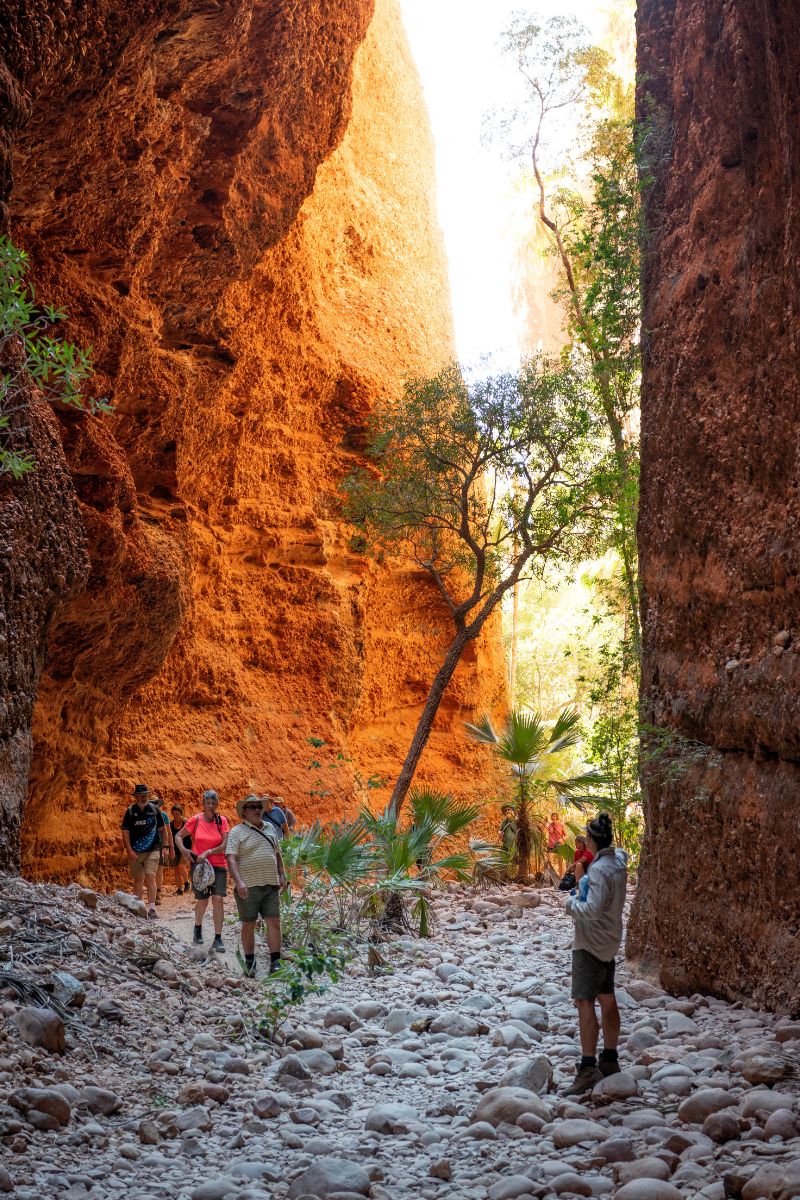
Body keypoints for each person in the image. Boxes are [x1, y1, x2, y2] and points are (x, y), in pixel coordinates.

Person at [563, 812, 628, 1094]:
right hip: (610, 938)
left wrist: (571, 902)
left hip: (590, 942)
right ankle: (610, 1059)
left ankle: (588, 1067)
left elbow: (591, 909)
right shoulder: (619, 860)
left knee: (583, 1001)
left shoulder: (600, 870)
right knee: (606, 996)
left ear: (590, 840)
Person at [226, 795, 287, 977]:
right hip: (248, 886)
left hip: (270, 883)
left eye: (258, 806)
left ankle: (275, 961)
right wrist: (239, 882)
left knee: (274, 921)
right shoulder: (237, 832)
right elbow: (231, 858)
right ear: (244, 812)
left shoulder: (269, 828)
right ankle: (250, 962)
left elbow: (277, 853)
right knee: (249, 924)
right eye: (252, 807)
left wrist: (282, 874)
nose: (256, 809)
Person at [176, 789, 229, 952]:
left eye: (214, 803)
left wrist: (210, 852)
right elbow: (178, 836)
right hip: (199, 866)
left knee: (218, 899)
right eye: (208, 803)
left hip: (219, 864)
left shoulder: (222, 821)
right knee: (203, 900)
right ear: (203, 804)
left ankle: (218, 937)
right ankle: (197, 928)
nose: (211, 806)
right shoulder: (195, 820)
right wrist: (184, 851)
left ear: (217, 804)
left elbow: (225, 844)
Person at [120, 784, 165, 920]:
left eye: (145, 795)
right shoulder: (130, 812)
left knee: (150, 877)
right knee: (138, 880)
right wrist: (129, 849)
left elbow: (163, 829)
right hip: (136, 852)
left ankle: (151, 909)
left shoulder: (154, 810)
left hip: (153, 850)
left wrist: (166, 846)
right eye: (140, 795)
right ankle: (139, 908)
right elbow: (125, 831)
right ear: (136, 797)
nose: (143, 797)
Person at [152, 793, 173, 906]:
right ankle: (153, 894)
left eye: (155, 803)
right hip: (149, 845)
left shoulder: (164, 816)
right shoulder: (146, 815)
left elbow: (169, 832)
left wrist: (170, 847)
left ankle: (158, 895)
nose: (154, 805)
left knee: (159, 870)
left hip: (161, 845)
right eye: (152, 803)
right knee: (150, 872)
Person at [170, 804, 191, 894]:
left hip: (185, 849)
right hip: (175, 849)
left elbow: (192, 835)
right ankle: (179, 889)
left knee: (181, 866)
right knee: (176, 870)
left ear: (181, 813)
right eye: (174, 814)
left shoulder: (186, 822)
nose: (175, 815)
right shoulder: (171, 824)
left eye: (177, 814)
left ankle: (187, 882)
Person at [547, 809, 567, 877]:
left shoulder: (561, 825)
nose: (553, 817)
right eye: (552, 816)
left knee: (560, 862)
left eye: (554, 816)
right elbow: (544, 831)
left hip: (559, 845)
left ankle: (561, 876)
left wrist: (561, 839)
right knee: (549, 861)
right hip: (550, 845)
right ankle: (551, 876)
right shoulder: (549, 825)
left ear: (557, 817)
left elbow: (566, 835)